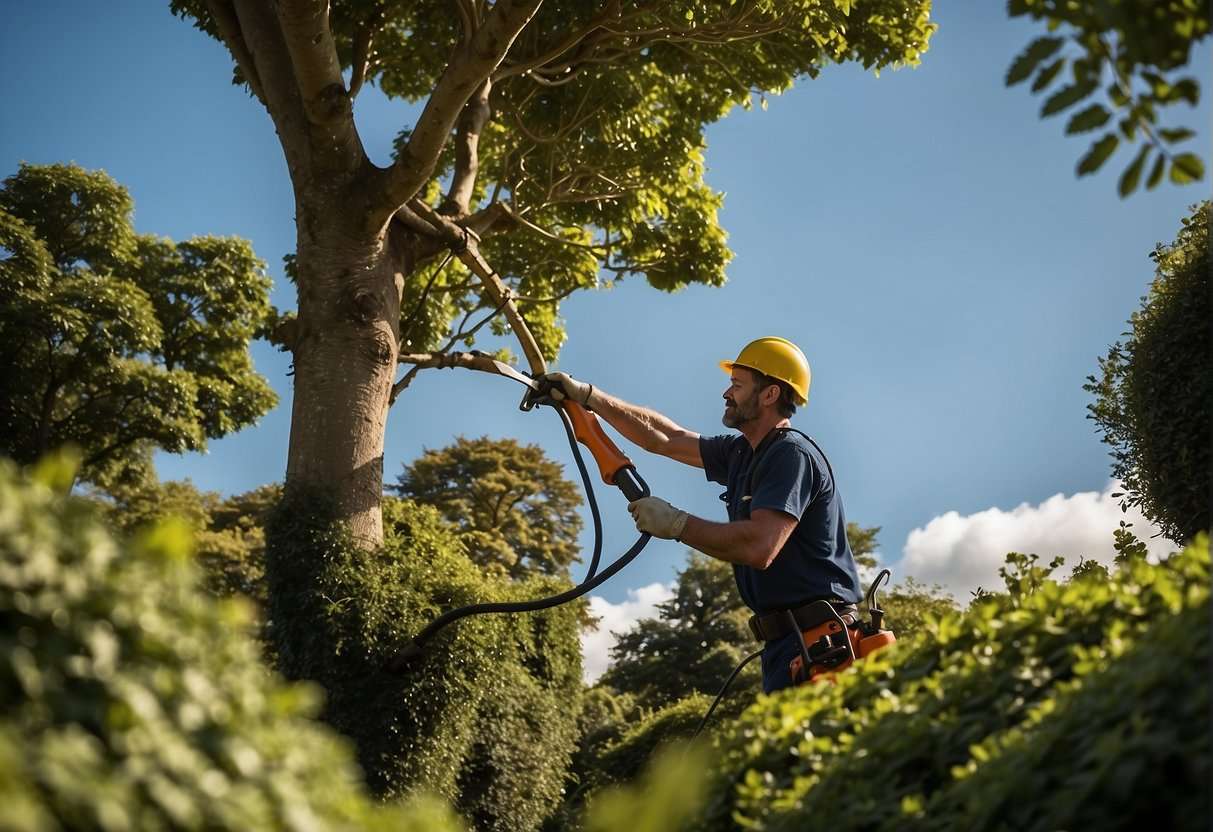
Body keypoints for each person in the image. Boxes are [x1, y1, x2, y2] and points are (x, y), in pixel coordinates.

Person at [545, 336, 862, 693]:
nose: (727, 394)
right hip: (788, 646)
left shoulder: (791, 456)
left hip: (824, 645)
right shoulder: (744, 453)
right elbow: (663, 437)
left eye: (737, 385)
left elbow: (760, 546)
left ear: (770, 394)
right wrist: (588, 396)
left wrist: (677, 523)